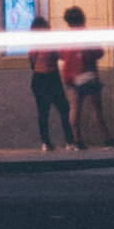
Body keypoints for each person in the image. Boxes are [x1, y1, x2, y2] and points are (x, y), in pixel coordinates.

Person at [62, 5, 114, 148]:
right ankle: (107, 139)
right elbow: (99, 52)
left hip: (71, 78)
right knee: (96, 109)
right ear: (82, 18)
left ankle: (77, 141)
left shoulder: (64, 38)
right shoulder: (87, 35)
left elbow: (61, 54)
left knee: (74, 109)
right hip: (89, 76)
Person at [29, 15, 75, 150]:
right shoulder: (51, 43)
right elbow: (62, 56)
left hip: (38, 78)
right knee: (64, 109)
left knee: (43, 113)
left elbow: (32, 64)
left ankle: (46, 143)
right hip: (51, 77)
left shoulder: (33, 46)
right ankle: (70, 142)